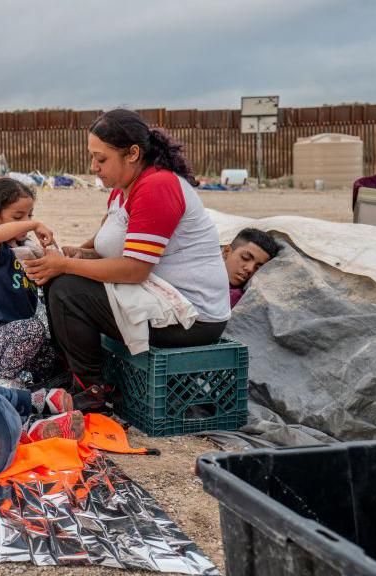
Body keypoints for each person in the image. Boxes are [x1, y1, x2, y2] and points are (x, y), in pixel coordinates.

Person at [22, 109, 230, 412]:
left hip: (193, 317)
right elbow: (113, 253)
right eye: (92, 157)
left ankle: (94, 390)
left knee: (68, 289)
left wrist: (66, 265)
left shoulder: (157, 186)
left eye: (101, 159)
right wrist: (77, 255)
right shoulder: (124, 191)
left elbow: (135, 269)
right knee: (61, 280)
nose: (93, 167)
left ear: (132, 153)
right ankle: (72, 377)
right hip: (161, 298)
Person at [0, 178, 63, 388]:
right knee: (33, 330)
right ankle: (1, 379)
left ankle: (27, 381)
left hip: (18, 334)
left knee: (53, 357)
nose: (26, 222)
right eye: (17, 217)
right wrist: (35, 224)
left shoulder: (26, 250)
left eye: (29, 215)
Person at [222, 228, 281, 307]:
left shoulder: (237, 299)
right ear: (226, 251)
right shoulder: (203, 269)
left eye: (258, 267)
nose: (250, 269)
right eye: (245, 257)